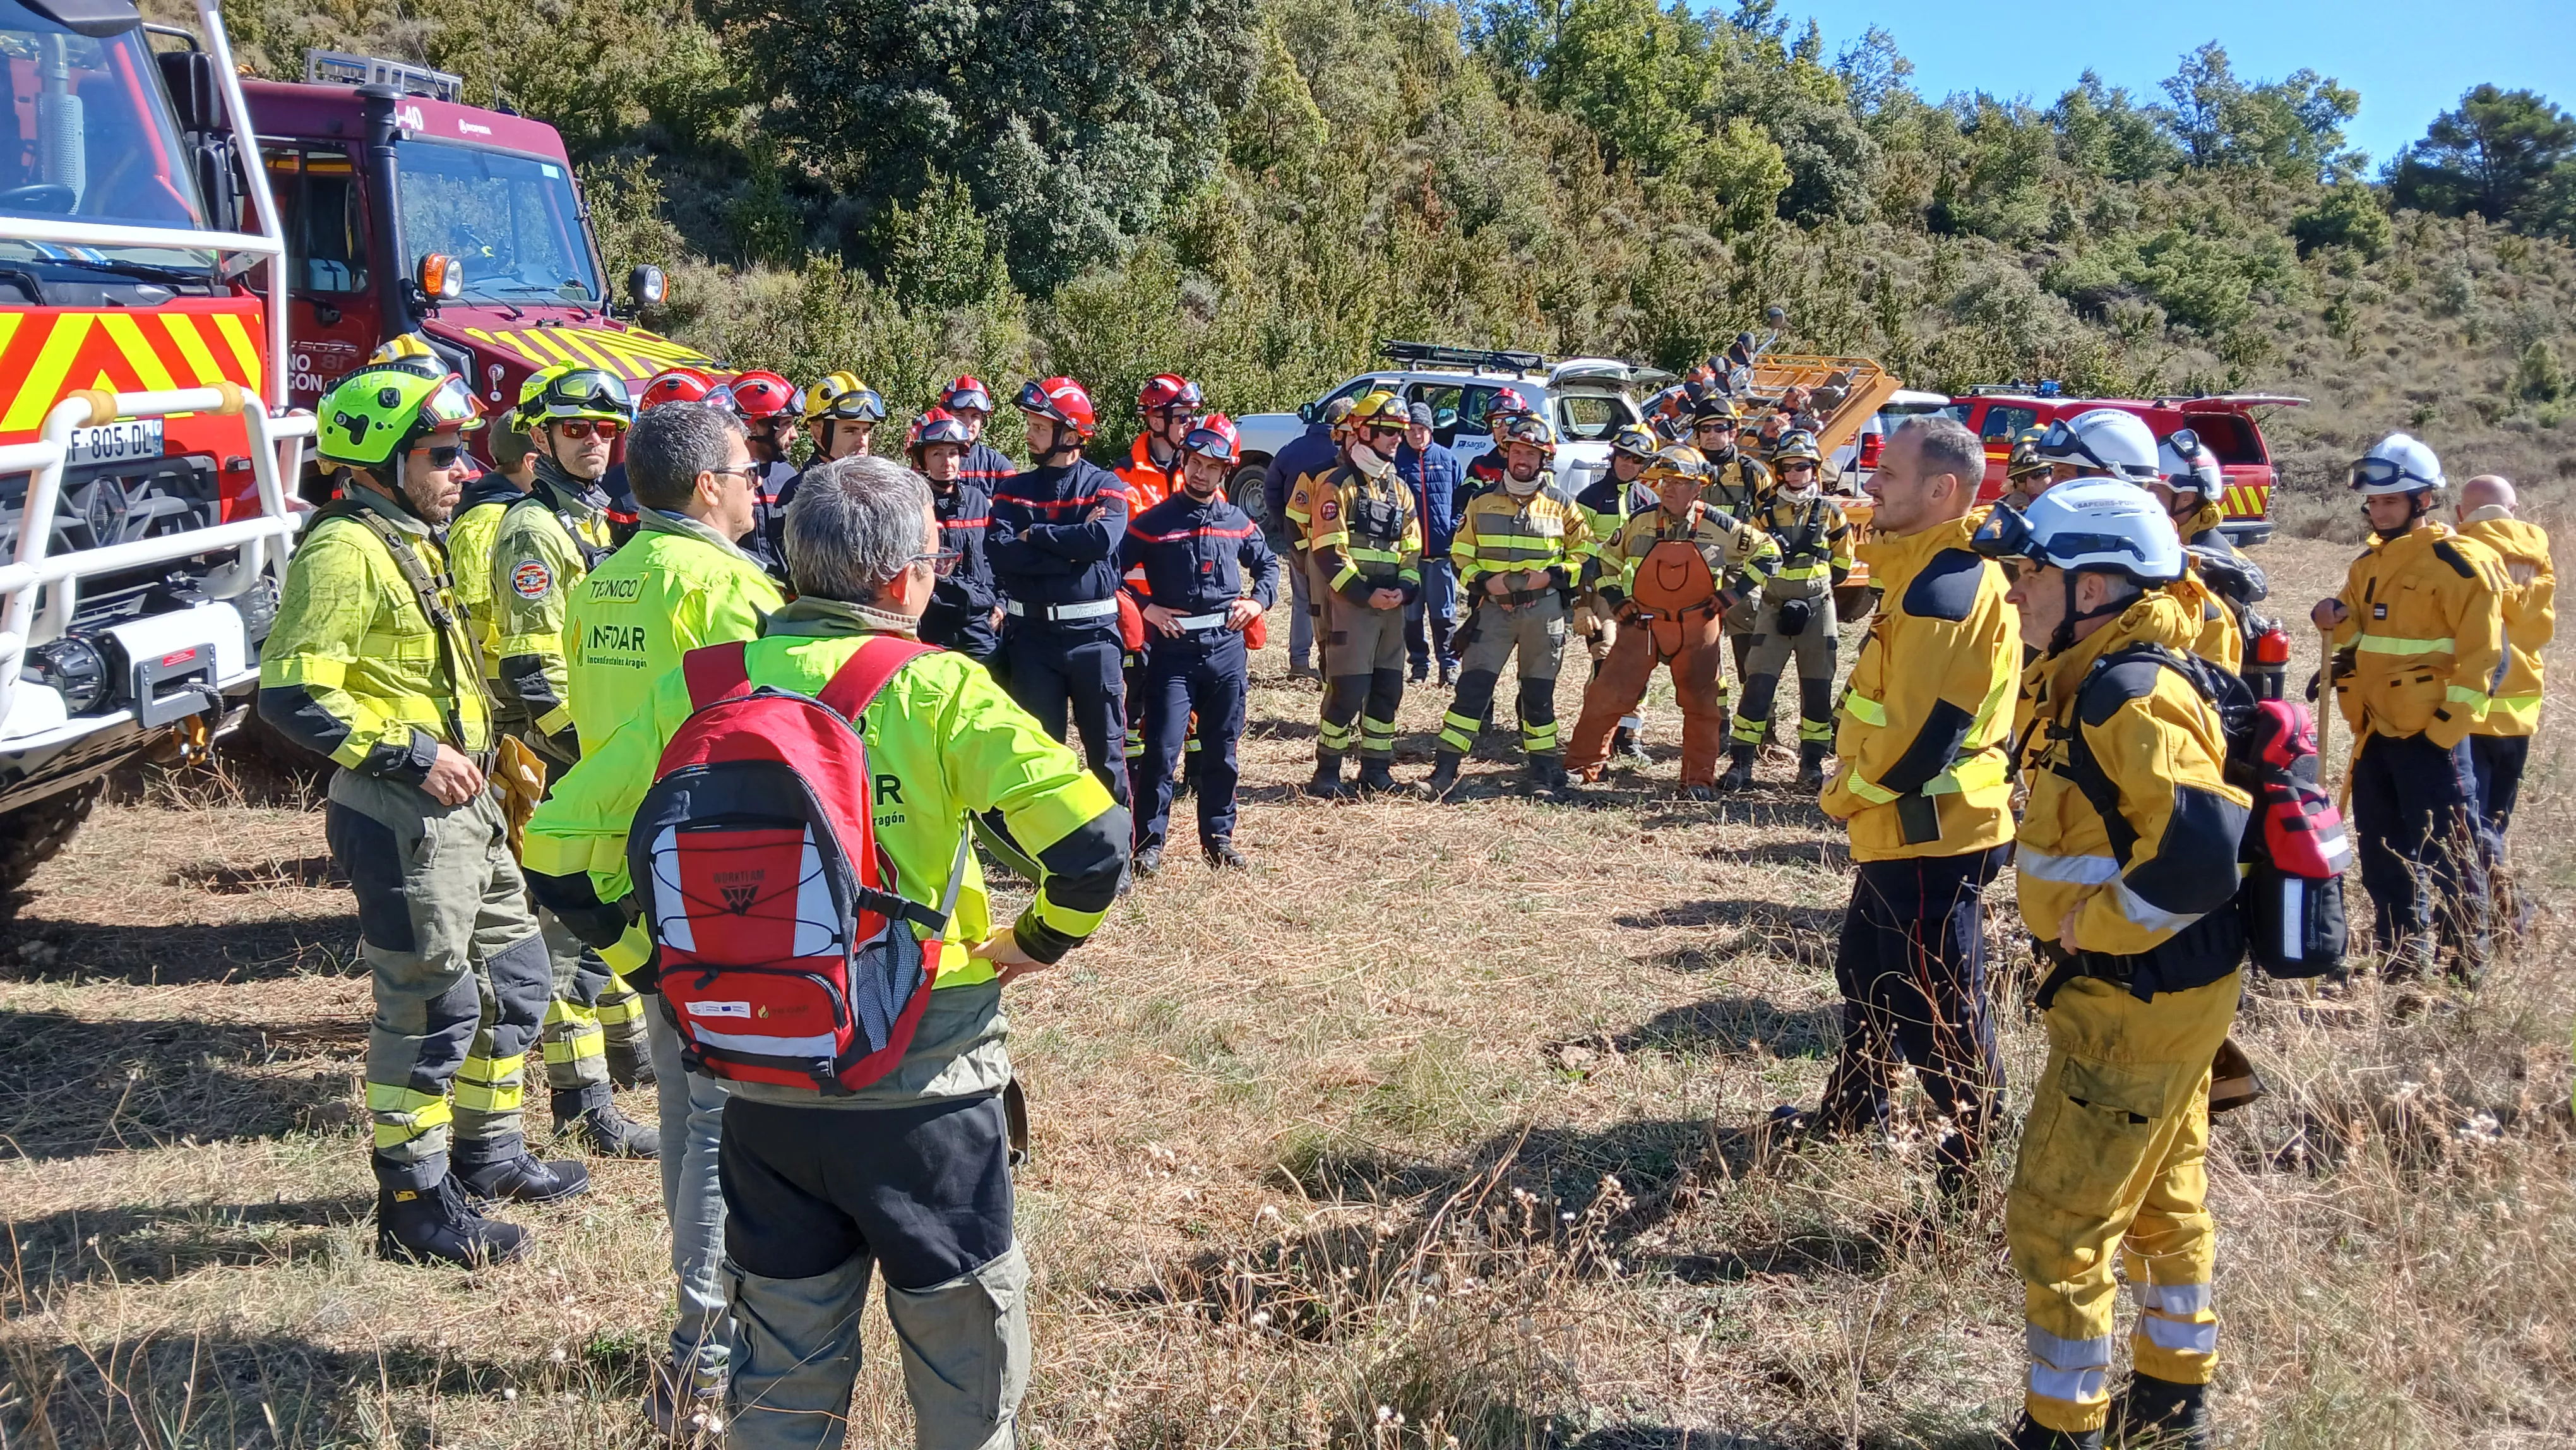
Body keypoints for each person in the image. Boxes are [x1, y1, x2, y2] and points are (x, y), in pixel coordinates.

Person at [522, 454, 1129, 1450]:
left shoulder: (703, 686)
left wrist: (652, 971)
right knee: (962, 1358)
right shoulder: (940, 689)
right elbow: (1096, 847)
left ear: (795, 570)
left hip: (760, 1084)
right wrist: (1032, 943)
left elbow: (554, 845)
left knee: (782, 1368)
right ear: (904, 582)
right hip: (926, 1088)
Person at [260, 365, 583, 1267]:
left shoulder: (414, 534)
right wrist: (413, 754)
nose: (466, 471)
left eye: (465, 453)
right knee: (430, 1010)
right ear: (374, 463)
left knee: (517, 982)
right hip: (405, 817)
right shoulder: (344, 551)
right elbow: (290, 694)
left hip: (467, 809)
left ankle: (489, 1156)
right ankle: (413, 1205)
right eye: (442, 455)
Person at [1980, 479, 2251, 1450]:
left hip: (2135, 999)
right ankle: (2175, 1401)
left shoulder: (2130, 696)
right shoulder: (2093, 679)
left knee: (2060, 1221)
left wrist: (2094, 928)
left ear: (2093, 587)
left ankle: (2062, 1429)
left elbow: (2198, 857)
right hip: (2167, 999)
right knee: (2164, 1202)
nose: (2016, 593)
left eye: (2031, 573)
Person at [561, 399, 785, 1430]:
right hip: (715, 882)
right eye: (746, 475)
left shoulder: (598, 583)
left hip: (627, 881)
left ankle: (697, 1323)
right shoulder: (732, 587)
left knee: (689, 1114)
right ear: (706, 487)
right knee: (721, 1124)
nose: (755, 491)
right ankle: (702, 1351)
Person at [1799, 415, 2018, 1197]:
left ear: (1941, 489)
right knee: (1864, 971)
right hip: (1902, 826)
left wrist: (1844, 798)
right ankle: (1855, 1110)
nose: (1871, 487)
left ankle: (1977, 1161)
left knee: (1937, 1005)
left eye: (1887, 474)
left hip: (1930, 828)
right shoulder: (1920, 574)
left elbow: (1923, 738)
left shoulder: (1945, 589)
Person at [489, 364, 659, 1159]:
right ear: (543, 437)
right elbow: (532, 674)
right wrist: (591, 759)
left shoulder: (593, 518)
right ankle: (581, 1104)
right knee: (561, 931)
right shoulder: (535, 529)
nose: (595, 443)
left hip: (593, 756)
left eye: (604, 429)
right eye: (577, 429)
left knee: (602, 920)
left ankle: (613, 1070)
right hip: (558, 758)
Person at [2311, 433, 2506, 979]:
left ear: (2424, 501)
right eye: (2373, 502)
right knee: (2383, 854)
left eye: (2390, 501)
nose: (2379, 511)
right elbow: (2357, 635)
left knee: (2451, 856)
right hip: (2376, 731)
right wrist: (2332, 618)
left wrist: (2446, 731)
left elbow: (2485, 659)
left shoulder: (2461, 564)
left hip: (2432, 737)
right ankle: (2404, 961)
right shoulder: (2367, 566)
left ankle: (2468, 966)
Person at [1562, 445, 1776, 796]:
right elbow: (1603, 562)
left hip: (1698, 625)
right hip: (1643, 622)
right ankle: (1581, 767)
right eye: (1666, 481)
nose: (1670, 489)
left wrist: (1733, 596)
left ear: (1699, 487)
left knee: (1703, 704)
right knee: (1606, 693)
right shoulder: (1641, 521)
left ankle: (1697, 781)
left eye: (1680, 482)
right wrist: (1617, 601)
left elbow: (1769, 553)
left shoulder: (1721, 525)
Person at [1119, 413, 1277, 872]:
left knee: (1222, 750)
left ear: (1226, 470)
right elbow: (1111, 572)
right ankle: (1148, 845)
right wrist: (1147, 609)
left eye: (1212, 466)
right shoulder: (1152, 522)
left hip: (1226, 651)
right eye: (1195, 462)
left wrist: (1258, 602)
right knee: (1162, 752)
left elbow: (1267, 565)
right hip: (1173, 654)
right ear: (1184, 461)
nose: (1201, 472)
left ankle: (1220, 839)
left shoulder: (1236, 520)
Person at [1427, 412, 1591, 798]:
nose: (1524, 459)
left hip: (1544, 613)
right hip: (1493, 612)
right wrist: (1486, 581)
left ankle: (1541, 774)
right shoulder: (1481, 501)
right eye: (1517, 450)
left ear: (1543, 459)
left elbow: (1586, 555)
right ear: (1506, 451)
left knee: (1538, 697)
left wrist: (1552, 577)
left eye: (1532, 454)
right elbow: (1461, 555)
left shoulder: (1564, 506)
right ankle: (1444, 771)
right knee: (1471, 692)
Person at [989, 376, 1133, 812]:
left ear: (1070, 434)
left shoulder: (1107, 486)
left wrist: (1036, 533)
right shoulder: (1012, 489)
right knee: (1039, 753)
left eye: (1039, 425)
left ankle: (1113, 857)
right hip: (1032, 641)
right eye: (1030, 424)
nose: (1029, 433)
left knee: (1106, 753)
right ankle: (1047, 851)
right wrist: (1071, 549)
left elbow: (1101, 542)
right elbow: (1000, 552)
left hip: (1094, 641)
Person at [1287, 391, 1422, 798]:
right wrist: (1367, 595)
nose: (1395, 439)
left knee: (1387, 690)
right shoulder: (1334, 485)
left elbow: (1412, 548)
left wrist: (1404, 589)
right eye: (1385, 431)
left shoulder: (1400, 490)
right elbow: (1328, 551)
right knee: (1348, 689)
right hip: (1351, 606)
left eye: (1398, 431)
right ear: (1362, 432)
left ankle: (1375, 770)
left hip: (1392, 610)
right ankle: (1327, 771)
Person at [1726, 429, 1853, 792]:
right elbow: (1746, 554)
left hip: (1818, 608)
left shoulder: (1831, 514)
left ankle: (1811, 766)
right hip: (1773, 606)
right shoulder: (1763, 513)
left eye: (1803, 467)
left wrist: (1813, 590)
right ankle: (1741, 765)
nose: (1796, 474)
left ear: (1814, 469)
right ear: (1779, 471)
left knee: (1817, 687)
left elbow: (1843, 565)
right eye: (1788, 467)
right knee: (1758, 685)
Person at [2454, 475, 2553, 887]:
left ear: (2462, 514)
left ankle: (2497, 907)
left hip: (2472, 708)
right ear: (2513, 510)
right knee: (2495, 819)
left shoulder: (2460, 550)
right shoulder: (2538, 553)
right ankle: (2493, 906)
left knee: (2467, 825)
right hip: (2519, 710)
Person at [1114, 374, 1204, 776]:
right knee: (1138, 695)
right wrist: (1144, 608)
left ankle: (1200, 773)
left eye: (1192, 417)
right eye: (1182, 417)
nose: (1190, 426)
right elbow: (1116, 556)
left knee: (1199, 695)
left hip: (1192, 608)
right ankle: (1136, 777)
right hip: (1143, 609)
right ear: (1155, 420)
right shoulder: (1122, 478)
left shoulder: (1201, 471)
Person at [1574, 424, 1662, 762]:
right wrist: (1583, 604)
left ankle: (1629, 737)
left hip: (1643, 597)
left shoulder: (1650, 501)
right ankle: (1598, 733)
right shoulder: (1590, 498)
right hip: (1602, 594)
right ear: (1614, 455)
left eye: (1637, 459)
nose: (1629, 463)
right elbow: (1580, 552)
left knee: (1641, 666)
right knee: (1605, 661)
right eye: (1624, 455)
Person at [2149, 431, 2267, 673]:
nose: (2146, 500)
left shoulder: (2203, 567)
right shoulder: (2205, 546)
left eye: (2155, 492)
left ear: (2186, 499)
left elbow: (2212, 663)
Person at [448, 417, 537, 724]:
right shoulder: (488, 521)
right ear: (532, 463)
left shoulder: (511, 511)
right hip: (503, 684)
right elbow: (475, 611)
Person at [1263, 395, 1355, 680]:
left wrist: (1286, 530)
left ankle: (1300, 663)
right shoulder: (1354, 456)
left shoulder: (1291, 449)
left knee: (1304, 603)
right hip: (1342, 549)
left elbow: (1271, 491)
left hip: (1301, 543)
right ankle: (1337, 667)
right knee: (1342, 608)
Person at [909, 408, 1005, 664]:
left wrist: (1002, 604)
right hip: (930, 626)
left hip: (979, 625)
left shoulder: (978, 502)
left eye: (953, 453)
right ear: (922, 460)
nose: (947, 462)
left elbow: (998, 559)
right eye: (937, 454)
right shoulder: (911, 506)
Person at [1397, 402, 1464, 685]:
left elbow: (1462, 499)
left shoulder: (1448, 460)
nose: (1416, 434)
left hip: (1441, 554)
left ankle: (1448, 665)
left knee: (1444, 615)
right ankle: (1419, 665)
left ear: (1431, 430)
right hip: (1409, 556)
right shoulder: (1397, 461)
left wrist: (1452, 529)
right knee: (1411, 616)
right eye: (1411, 429)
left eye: (1422, 429)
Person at [724, 369, 803, 578]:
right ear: (753, 427)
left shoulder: (789, 476)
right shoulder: (721, 479)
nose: (794, 435)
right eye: (786, 424)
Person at [939, 374, 1020, 488]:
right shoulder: (930, 463)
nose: (968, 422)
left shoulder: (997, 466)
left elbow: (1015, 503)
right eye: (960, 415)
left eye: (975, 416)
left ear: (983, 420)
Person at [802, 372, 885, 461]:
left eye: (865, 432)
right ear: (818, 433)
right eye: (851, 431)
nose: (862, 443)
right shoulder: (808, 476)